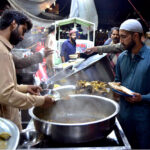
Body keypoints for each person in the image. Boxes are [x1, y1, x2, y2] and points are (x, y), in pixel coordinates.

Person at [0, 10, 54, 131]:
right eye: (23, 30)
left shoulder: (4, 49)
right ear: (13, 24)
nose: (23, 36)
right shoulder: (2, 52)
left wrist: (25, 88)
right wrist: (40, 101)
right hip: (5, 127)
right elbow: (6, 94)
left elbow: (3, 88)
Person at [115, 19, 150, 149]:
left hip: (144, 122)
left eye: (124, 37)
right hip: (123, 117)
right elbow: (118, 80)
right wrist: (115, 89)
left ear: (136, 36)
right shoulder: (122, 57)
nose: (120, 41)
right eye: (120, 37)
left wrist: (142, 98)